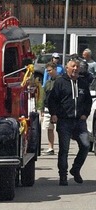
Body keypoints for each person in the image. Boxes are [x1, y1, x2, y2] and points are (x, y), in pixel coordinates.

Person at [47, 58, 93, 186]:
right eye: (73, 66)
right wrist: (54, 114)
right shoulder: (60, 82)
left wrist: (85, 113)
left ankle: (75, 169)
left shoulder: (83, 83)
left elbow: (88, 101)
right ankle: (63, 176)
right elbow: (52, 100)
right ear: (67, 68)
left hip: (79, 121)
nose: (75, 69)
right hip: (64, 121)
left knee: (85, 145)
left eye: (77, 67)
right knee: (64, 149)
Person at [41, 62, 59, 155]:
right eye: (47, 71)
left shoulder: (61, 81)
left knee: (60, 129)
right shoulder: (47, 83)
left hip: (60, 109)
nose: (48, 72)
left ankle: (63, 147)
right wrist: (42, 109)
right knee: (49, 128)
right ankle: (50, 147)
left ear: (55, 69)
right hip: (48, 109)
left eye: (50, 70)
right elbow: (44, 96)